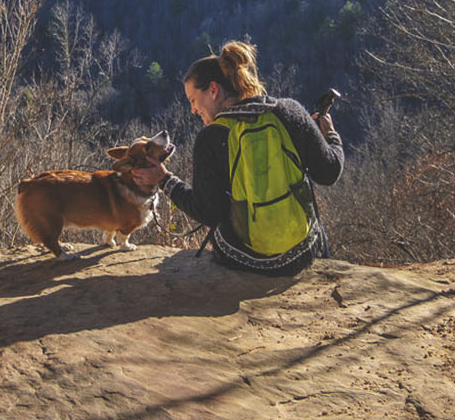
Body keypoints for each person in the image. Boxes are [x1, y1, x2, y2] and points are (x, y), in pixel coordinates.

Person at [132, 40, 341, 275]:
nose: (192, 109)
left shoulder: (211, 138)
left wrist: (164, 180)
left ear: (213, 90)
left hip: (247, 259)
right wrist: (331, 135)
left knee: (224, 228)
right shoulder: (289, 112)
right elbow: (329, 172)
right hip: (302, 254)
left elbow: (208, 213)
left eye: (193, 100)